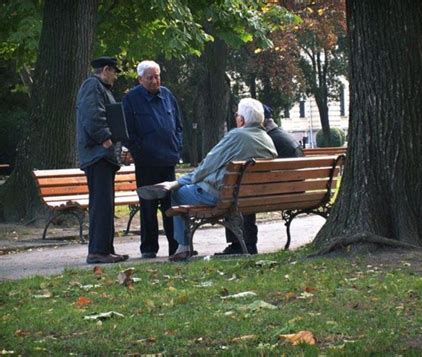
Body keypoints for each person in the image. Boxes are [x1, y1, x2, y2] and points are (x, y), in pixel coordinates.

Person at [137, 98, 277, 261]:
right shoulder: (267, 139)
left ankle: (183, 247)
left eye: (237, 114)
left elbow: (207, 165)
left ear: (242, 119)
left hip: (222, 195)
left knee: (176, 194)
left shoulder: (237, 136)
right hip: (252, 195)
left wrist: (178, 182)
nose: (236, 117)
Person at [217, 104, 304, 255]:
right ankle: (243, 244)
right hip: (295, 192)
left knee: (237, 194)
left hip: (274, 193)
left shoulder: (263, 139)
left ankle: (241, 245)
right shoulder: (282, 136)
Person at [123, 60, 183, 258]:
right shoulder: (131, 99)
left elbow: (178, 124)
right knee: (148, 207)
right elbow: (128, 131)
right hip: (146, 162)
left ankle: (175, 247)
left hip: (168, 159)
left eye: (157, 76)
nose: (155, 80)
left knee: (170, 207)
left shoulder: (167, 95)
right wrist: (139, 151)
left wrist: (177, 145)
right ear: (140, 79)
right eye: (150, 77)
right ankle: (149, 248)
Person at [76, 56, 128, 264]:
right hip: (97, 155)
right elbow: (92, 114)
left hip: (103, 156)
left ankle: (106, 249)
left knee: (106, 204)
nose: (115, 77)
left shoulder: (101, 88)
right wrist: (105, 138)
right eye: (114, 72)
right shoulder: (92, 86)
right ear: (106, 69)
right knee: (100, 204)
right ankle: (98, 250)